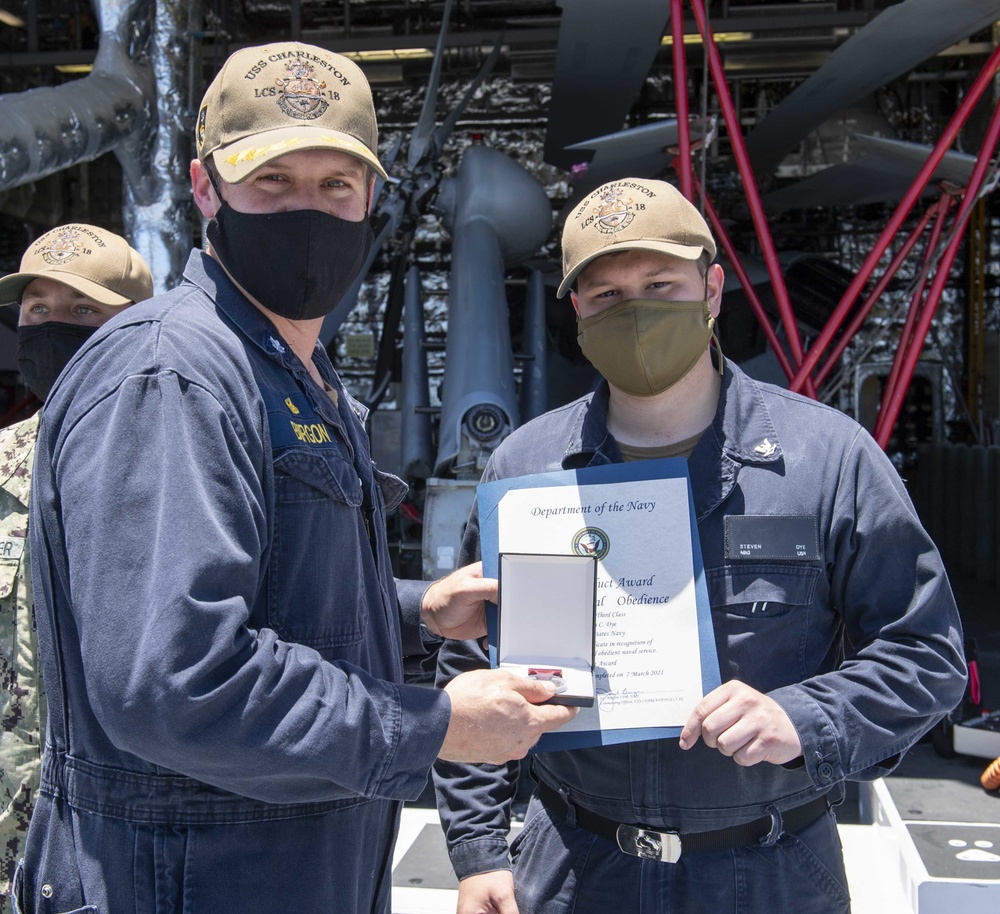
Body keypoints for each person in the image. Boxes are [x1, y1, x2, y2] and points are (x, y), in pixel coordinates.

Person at [16, 43, 575, 913]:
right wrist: (434, 728)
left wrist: (415, 609)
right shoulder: (176, 377)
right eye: (271, 180)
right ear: (207, 190)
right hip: (188, 880)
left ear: (371, 198)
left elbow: (261, 595)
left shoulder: (290, 371)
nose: (306, 210)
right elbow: (177, 682)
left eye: (334, 185)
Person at [434, 177, 968, 914]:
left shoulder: (825, 460)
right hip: (574, 871)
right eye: (608, 295)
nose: (637, 310)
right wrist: (479, 852)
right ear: (577, 311)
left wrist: (805, 717)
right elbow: (473, 661)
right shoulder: (526, 470)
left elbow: (925, 655)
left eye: (661, 283)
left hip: (769, 870)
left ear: (713, 290)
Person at [0, 223, 152, 913]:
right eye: (38, 310)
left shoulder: (177, 460)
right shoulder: (4, 464)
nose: (53, 327)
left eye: (83, 311)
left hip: (124, 841)